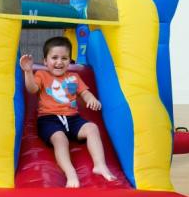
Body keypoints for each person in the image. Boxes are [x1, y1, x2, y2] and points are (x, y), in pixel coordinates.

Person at [19, 36, 116, 188]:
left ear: (69, 60)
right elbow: (32, 89)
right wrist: (28, 72)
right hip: (49, 119)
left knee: (92, 128)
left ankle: (100, 165)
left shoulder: (74, 77)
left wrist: (92, 99)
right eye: (54, 58)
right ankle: (70, 172)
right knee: (60, 139)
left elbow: (85, 93)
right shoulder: (42, 76)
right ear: (45, 61)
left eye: (64, 58)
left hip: (73, 118)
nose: (59, 62)